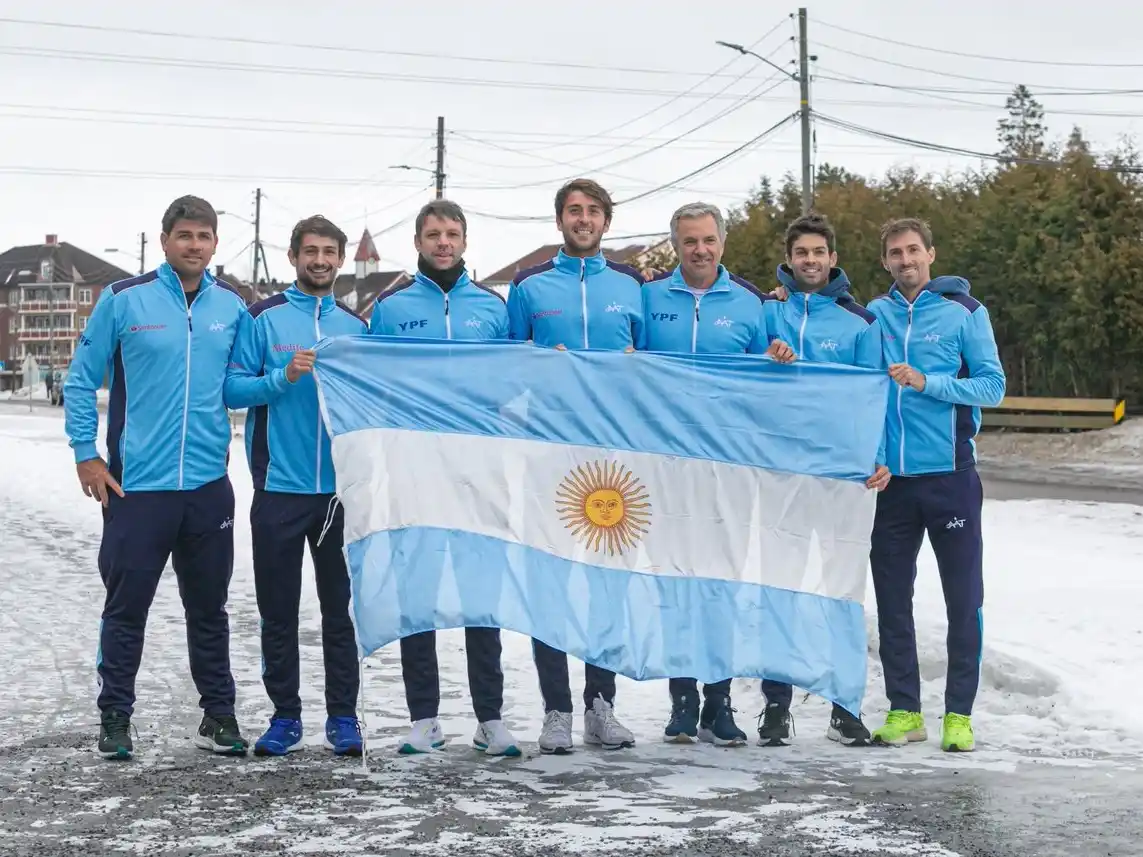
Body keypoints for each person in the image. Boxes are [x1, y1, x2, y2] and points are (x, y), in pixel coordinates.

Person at [63, 195, 251, 759]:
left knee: (210, 611)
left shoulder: (232, 309)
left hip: (206, 488)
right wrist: (85, 453)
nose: (195, 245)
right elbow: (80, 380)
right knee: (126, 609)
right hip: (137, 489)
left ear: (215, 244)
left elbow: (238, 386)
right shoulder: (123, 300)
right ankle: (114, 717)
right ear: (166, 240)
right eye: (185, 235)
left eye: (204, 236)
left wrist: (288, 378)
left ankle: (218, 716)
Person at [368, 199, 521, 758]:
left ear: (465, 241)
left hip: (480, 470)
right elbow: (372, 382)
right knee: (420, 595)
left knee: (483, 596)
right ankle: (424, 718)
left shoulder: (493, 308)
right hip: (416, 469)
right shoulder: (389, 308)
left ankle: (491, 718)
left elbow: (514, 381)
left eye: (452, 234)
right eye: (433, 234)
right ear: (418, 241)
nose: (443, 243)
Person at [641, 201, 793, 748]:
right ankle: (682, 702)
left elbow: (766, 386)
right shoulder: (649, 297)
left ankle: (719, 702)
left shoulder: (753, 304)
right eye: (688, 242)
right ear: (675, 245)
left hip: (727, 466)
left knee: (722, 585)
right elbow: (623, 367)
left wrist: (777, 355)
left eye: (707, 240)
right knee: (678, 581)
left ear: (722, 243)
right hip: (666, 465)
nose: (699, 250)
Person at [506, 178, 643, 755]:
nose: (582, 219)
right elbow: (505, 372)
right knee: (552, 585)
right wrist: (540, 365)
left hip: (615, 462)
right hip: (551, 460)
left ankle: (599, 706)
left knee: (606, 588)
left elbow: (664, 371)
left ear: (606, 221)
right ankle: (556, 710)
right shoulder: (530, 289)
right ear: (559, 220)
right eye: (573, 211)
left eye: (592, 212)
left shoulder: (634, 287)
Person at [224, 215, 366, 757]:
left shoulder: (356, 327)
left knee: (340, 610)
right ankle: (285, 716)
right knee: (278, 610)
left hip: (339, 495)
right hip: (279, 491)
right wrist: (282, 378)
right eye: (311, 251)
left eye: (330, 251)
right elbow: (234, 390)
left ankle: (344, 717)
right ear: (293, 256)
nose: (321, 260)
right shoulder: (263, 320)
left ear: (341, 258)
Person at [865, 217, 1005, 753]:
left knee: (962, 599)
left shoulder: (965, 313)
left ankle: (958, 715)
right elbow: (859, 388)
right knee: (893, 602)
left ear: (931, 253)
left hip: (950, 478)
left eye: (914, 250)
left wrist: (929, 382)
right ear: (885, 262)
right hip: (892, 485)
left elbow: (992, 386)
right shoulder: (873, 316)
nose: (906, 260)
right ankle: (904, 711)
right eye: (895, 253)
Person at [755, 212, 890, 749]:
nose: (810, 261)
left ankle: (844, 706)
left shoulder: (860, 322)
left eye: (819, 252)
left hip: (842, 477)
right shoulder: (769, 310)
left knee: (840, 592)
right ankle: (775, 705)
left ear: (833, 258)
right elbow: (744, 367)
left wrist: (877, 457)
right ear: (789, 259)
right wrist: (768, 353)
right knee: (780, 589)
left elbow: (875, 397)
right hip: (781, 473)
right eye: (801, 253)